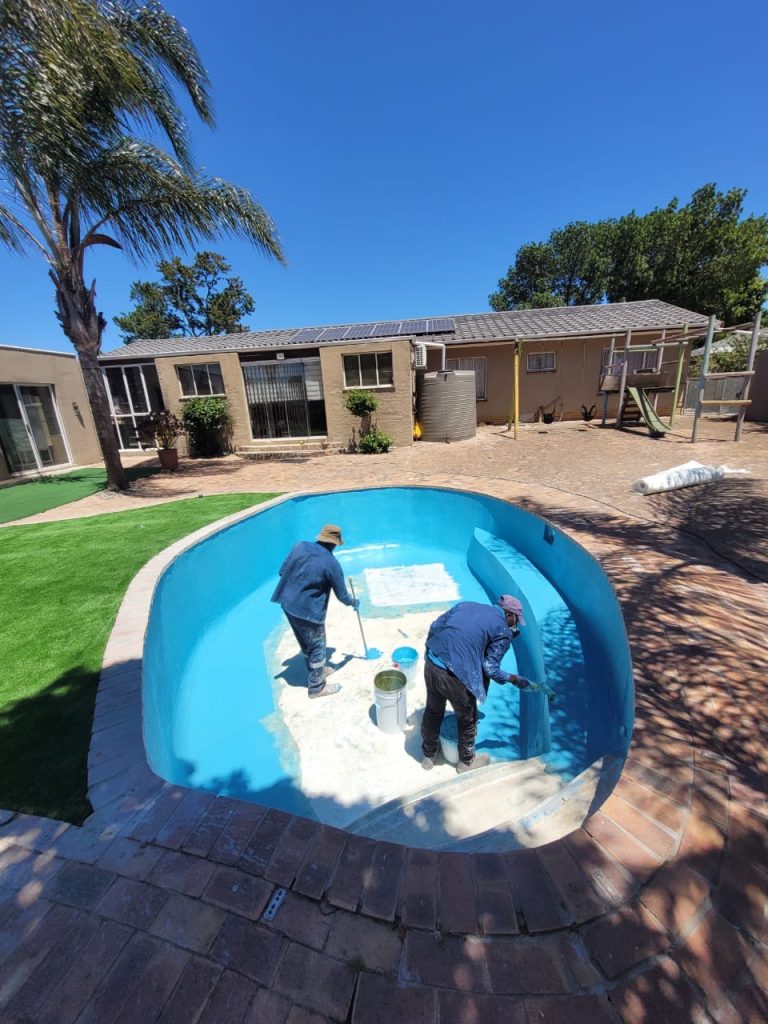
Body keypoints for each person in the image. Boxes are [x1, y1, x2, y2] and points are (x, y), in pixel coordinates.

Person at [421, 595, 530, 773]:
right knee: (468, 719)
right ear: (509, 614)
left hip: (432, 664)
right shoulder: (503, 630)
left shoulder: (466, 604)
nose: (515, 625)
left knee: (433, 710)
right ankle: (466, 761)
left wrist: (433, 653)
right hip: (454, 677)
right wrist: (513, 678)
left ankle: (428, 755)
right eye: (516, 620)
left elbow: (435, 626)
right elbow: (490, 668)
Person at [271, 524, 359, 699]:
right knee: (317, 647)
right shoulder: (331, 563)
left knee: (305, 643)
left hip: (287, 604)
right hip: (308, 612)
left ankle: (315, 670)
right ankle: (317, 687)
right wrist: (354, 602)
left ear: (321, 537)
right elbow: (342, 596)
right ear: (335, 543)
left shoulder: (300, 546)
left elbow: (282, 571)